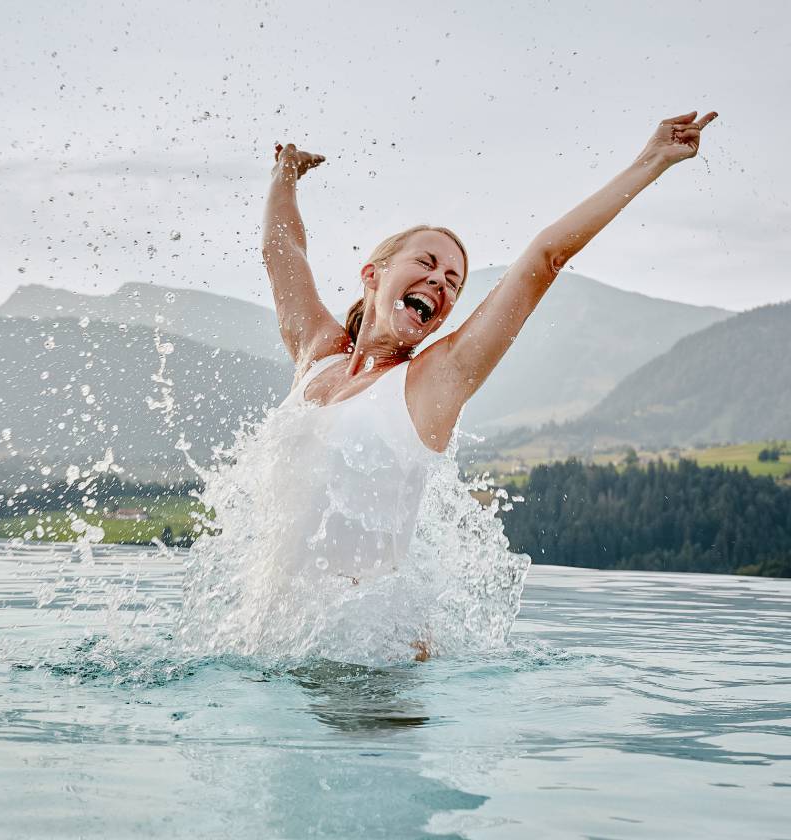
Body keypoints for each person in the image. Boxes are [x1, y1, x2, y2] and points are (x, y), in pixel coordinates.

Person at [254, 110, 717, 661]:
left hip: (374, 675)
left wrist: (653, 160)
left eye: (452, 281)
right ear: (373, 274)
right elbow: (281, 251)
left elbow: (545, 259)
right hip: (275, 653)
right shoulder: (317, 358)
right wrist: (285, 172)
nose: (439, 282)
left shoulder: (429, 384)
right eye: (426, 263)